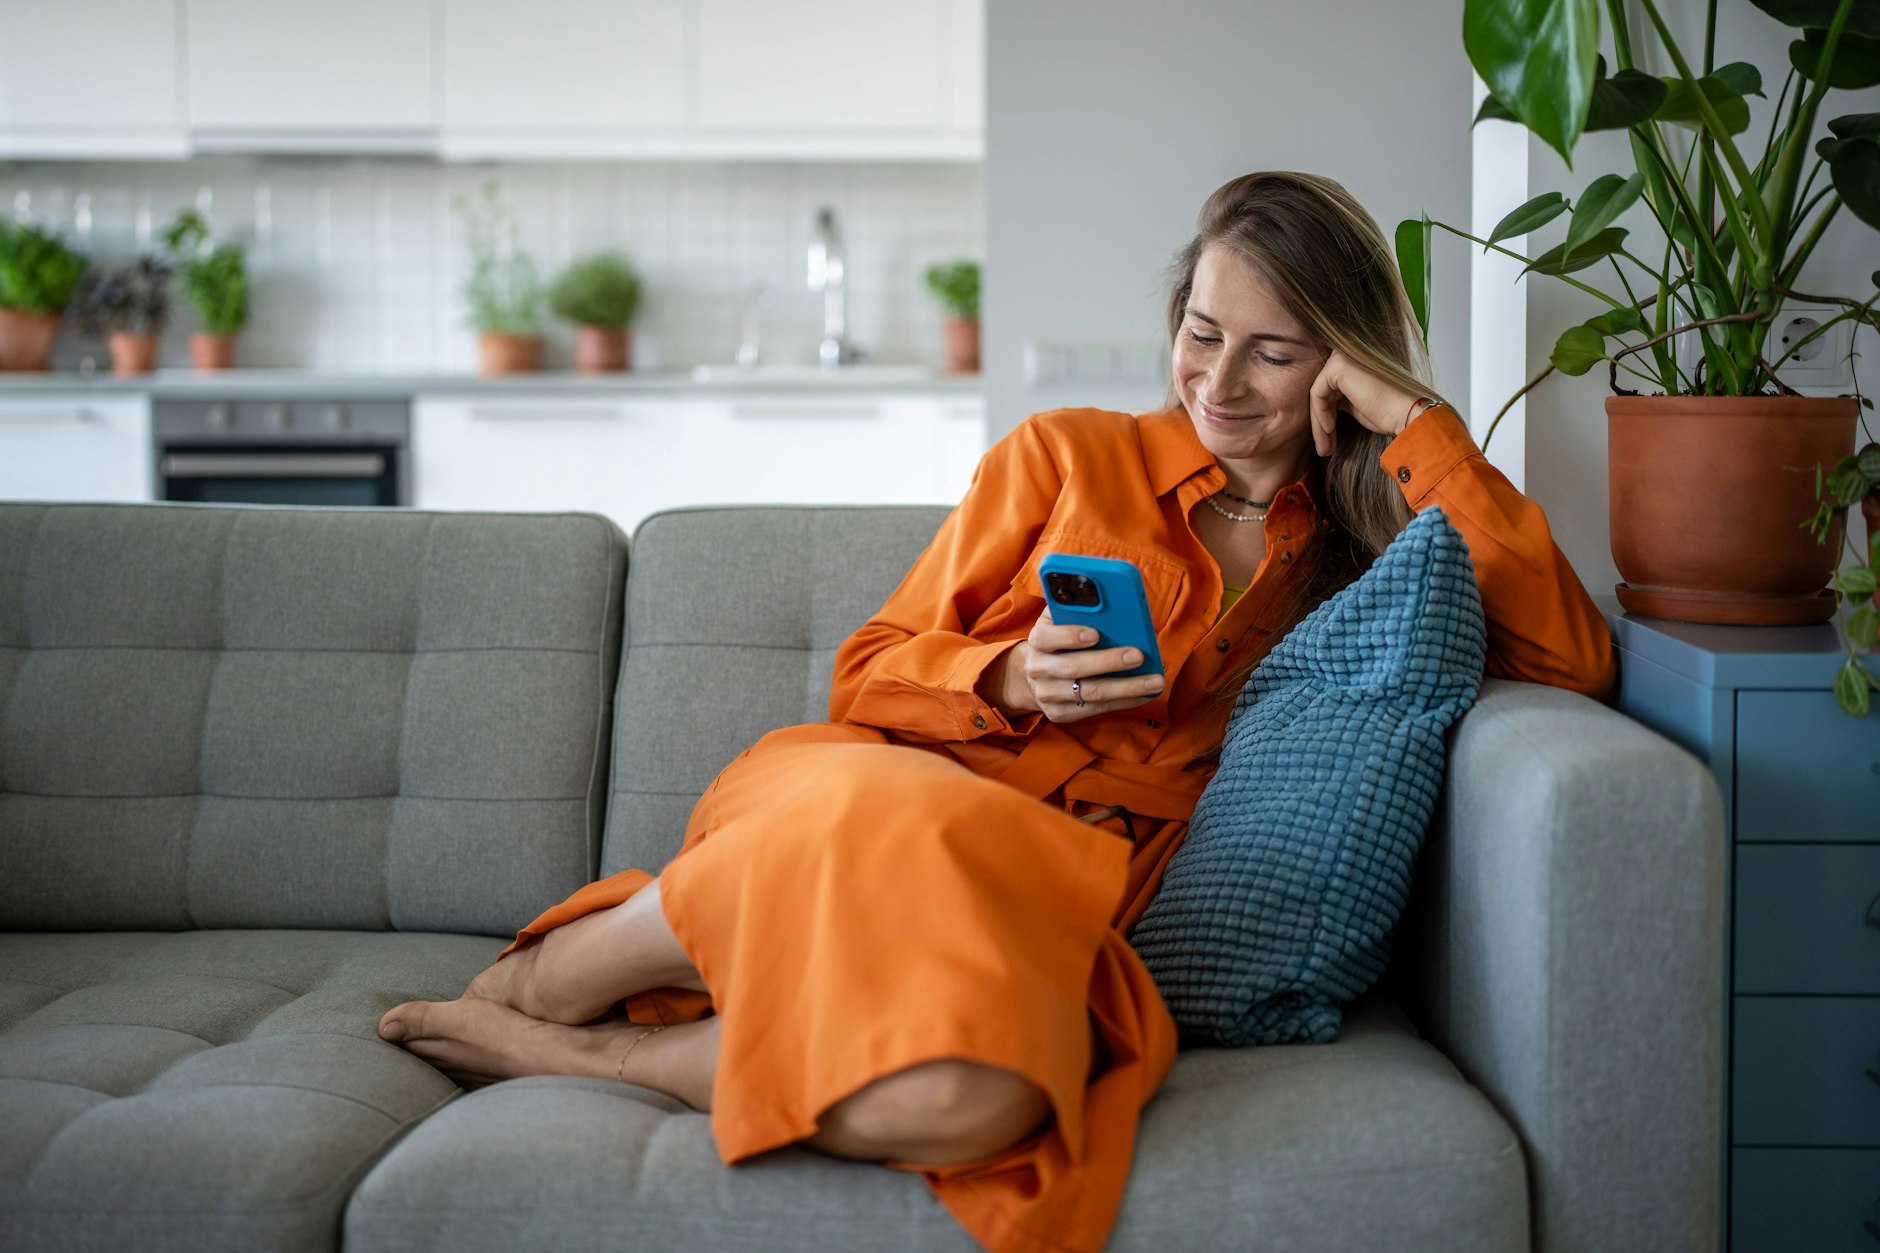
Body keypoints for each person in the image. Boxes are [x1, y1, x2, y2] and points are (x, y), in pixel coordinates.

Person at [375, 171, 1615, 1253]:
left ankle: (596, 1050)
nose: (1217, 381)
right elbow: (864, 672)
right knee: (877, 805)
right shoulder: (1062, 455)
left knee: (979, 1101)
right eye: (1198, 332)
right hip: (899, 796)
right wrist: (1011, 678)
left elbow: (1569, 659)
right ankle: (587, 963)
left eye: (1272, 352)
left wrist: (1417, 425)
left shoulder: (1367, 550)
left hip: (1061, 901)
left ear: (1341, 359)